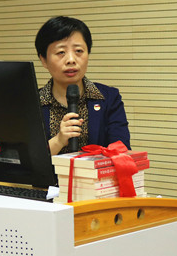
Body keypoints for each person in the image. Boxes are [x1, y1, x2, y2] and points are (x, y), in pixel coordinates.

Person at [35, 16, 131, 155]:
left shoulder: (109, 98)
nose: (71, 60)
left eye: (79, 51)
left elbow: (121, 151)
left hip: (99, 170)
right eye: (61, 52)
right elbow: (25, 160)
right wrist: (58, 141)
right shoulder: (32, 103)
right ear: (43, 60)